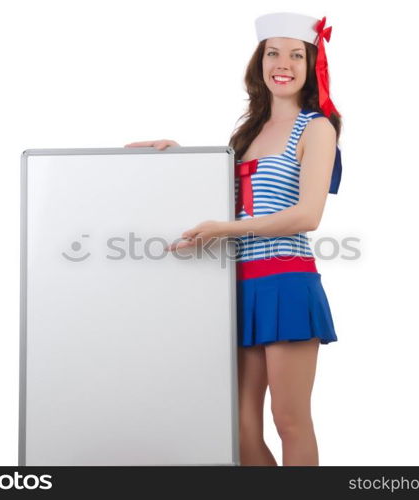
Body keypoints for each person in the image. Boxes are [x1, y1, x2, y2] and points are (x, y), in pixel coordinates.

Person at [125, 12, 343, 466]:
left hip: (286, 283)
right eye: (273, 53)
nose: (283, 63)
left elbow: (308, 214)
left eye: (295, 55)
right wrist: (178, 158)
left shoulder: (316, 128)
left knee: (289, 421)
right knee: (238, 426)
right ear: (259, 62)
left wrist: (226, 230)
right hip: (238, 287)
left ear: (310, 66)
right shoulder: (245, 135)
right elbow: (228, 200)